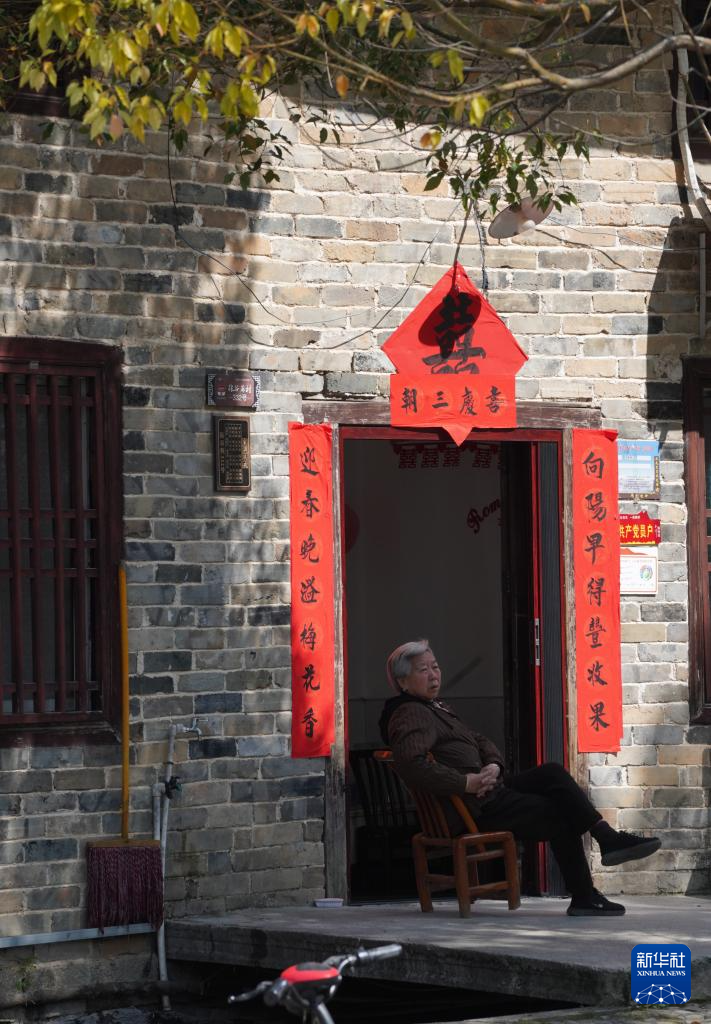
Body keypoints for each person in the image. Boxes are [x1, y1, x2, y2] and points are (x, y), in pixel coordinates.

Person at [379, 639, 662, 917]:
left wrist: (494, 765)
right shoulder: (410, 713)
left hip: (486, 791)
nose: (434, 674)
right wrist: (466, 782)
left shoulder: (434, 707)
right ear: (403, 682)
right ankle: (585, 893)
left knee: (551, 773)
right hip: (473, 807)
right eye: (423, 670)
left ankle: (605, 837)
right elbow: (412, 764)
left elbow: (479, 740)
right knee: (560, 811)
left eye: (435, 666)